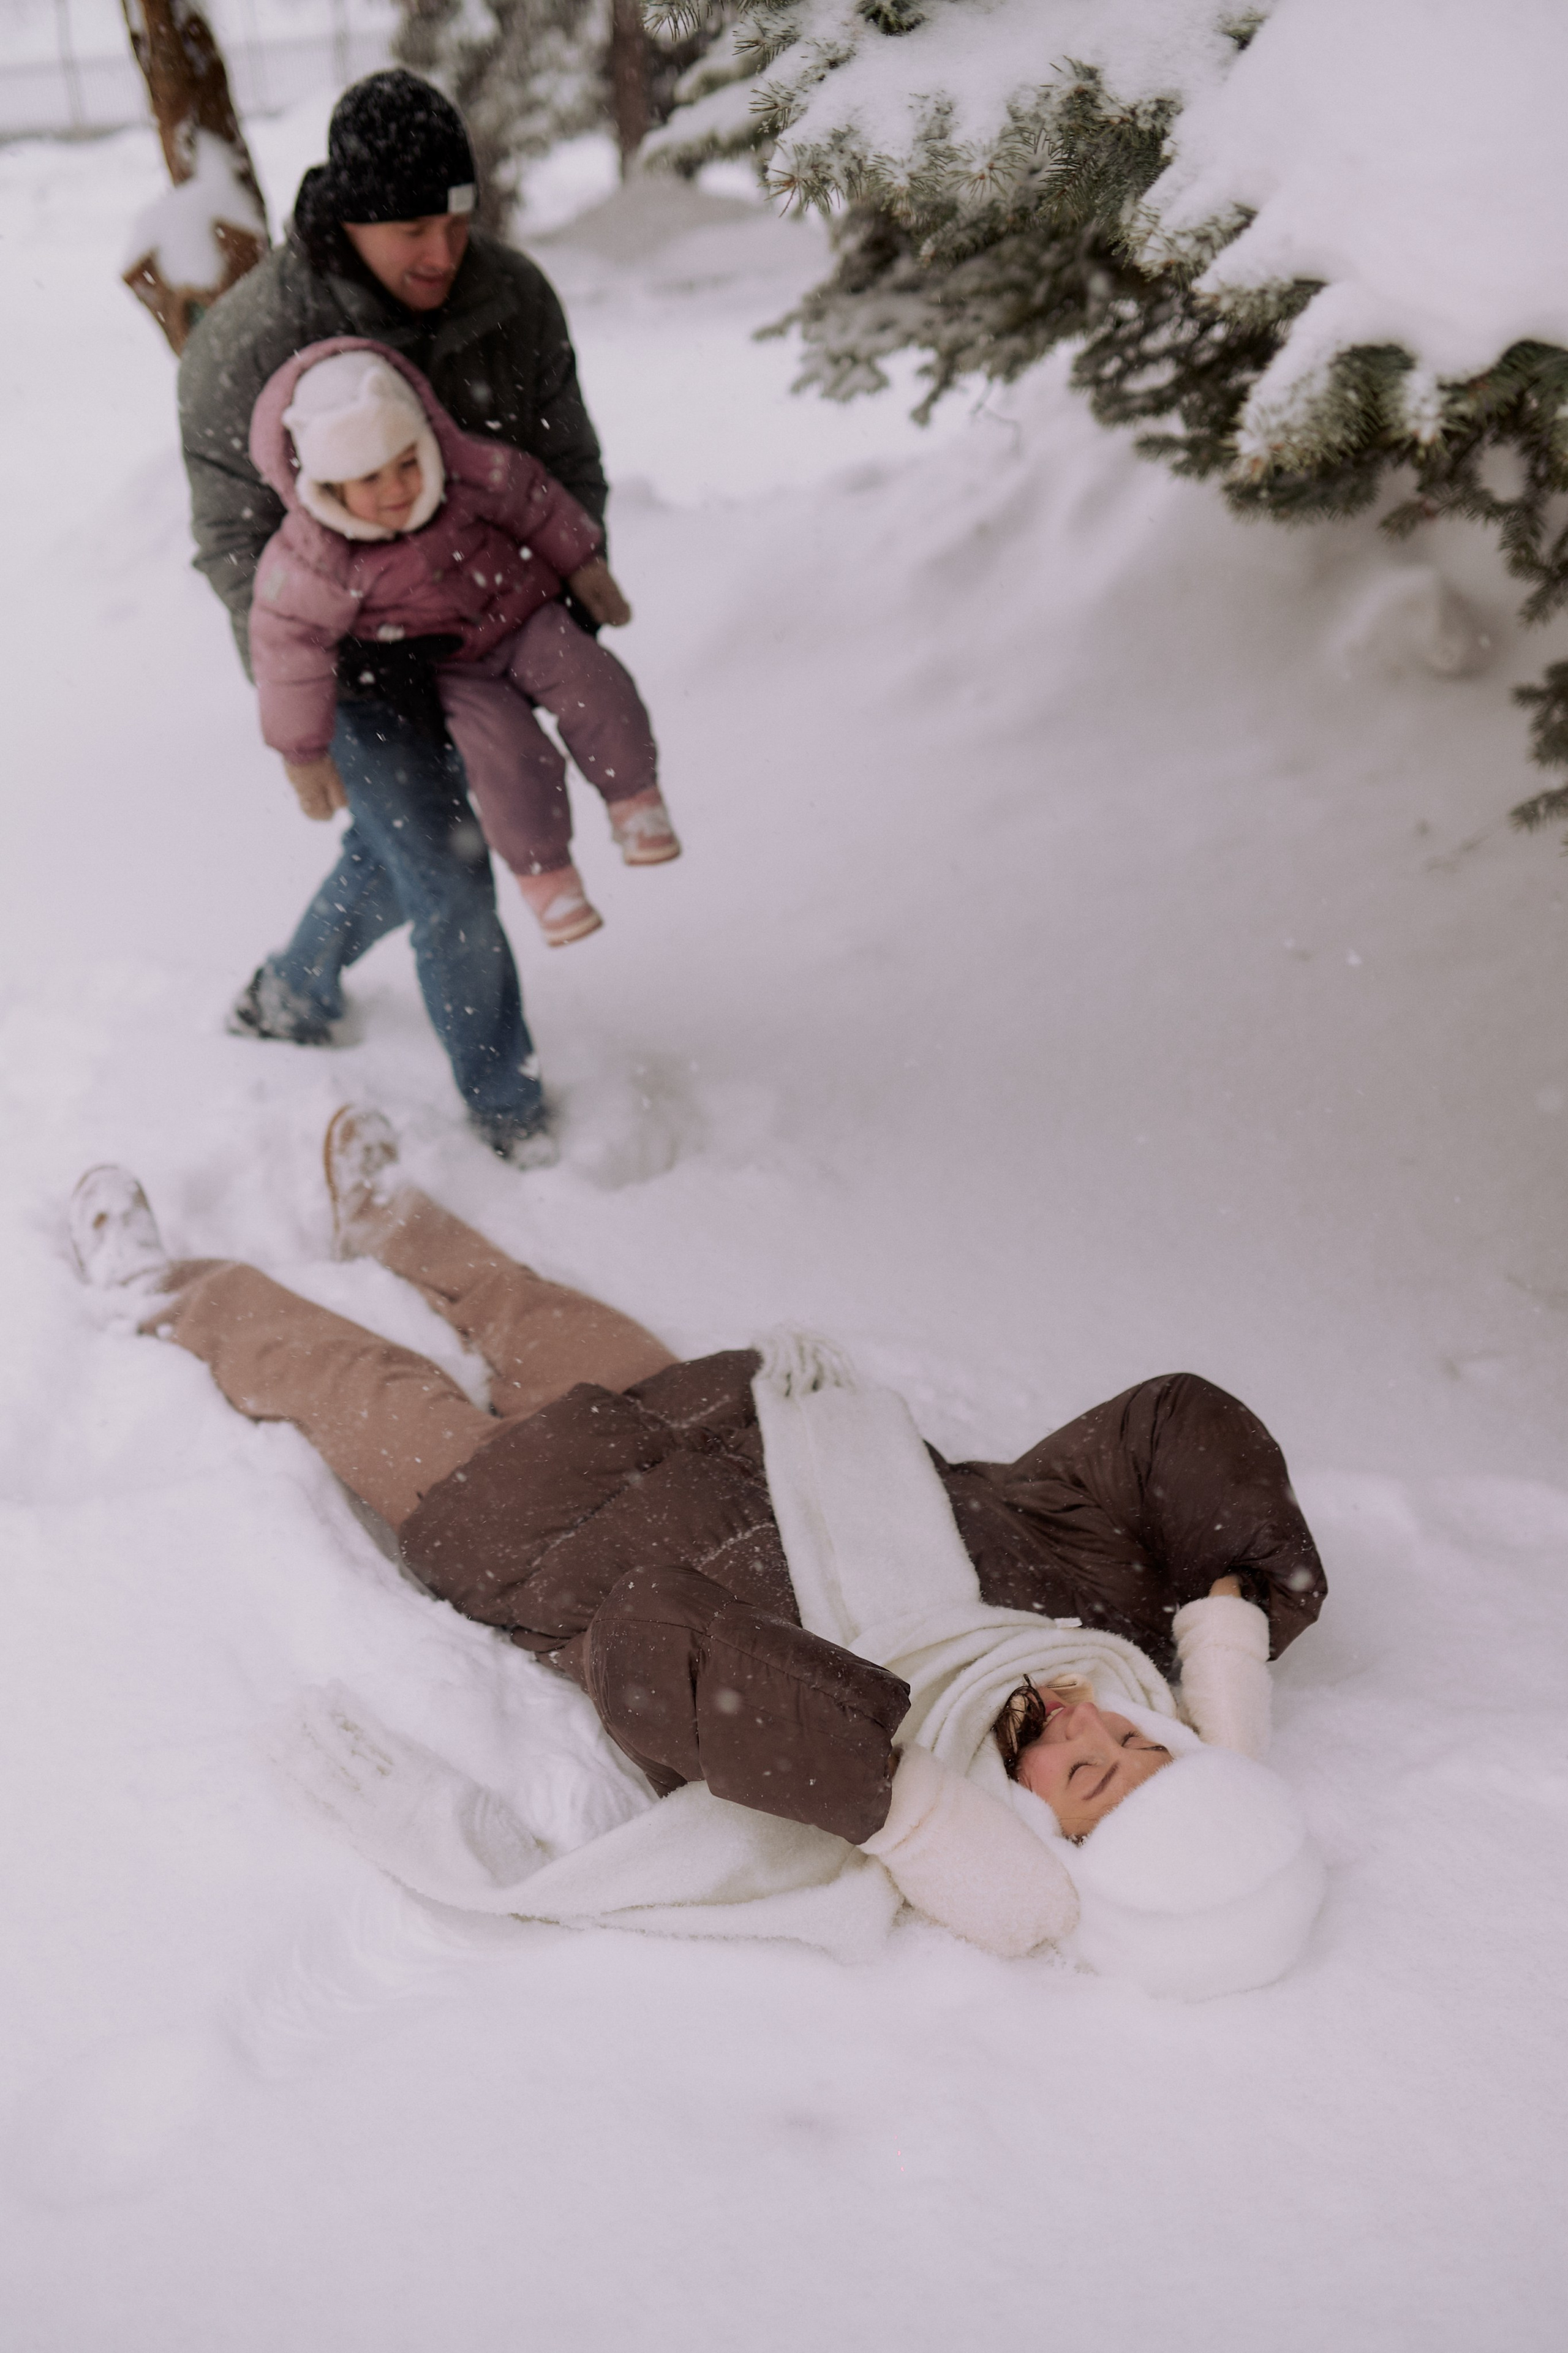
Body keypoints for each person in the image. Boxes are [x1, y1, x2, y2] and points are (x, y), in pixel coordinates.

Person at [66, 1121, 1330, 1986]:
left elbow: (653, 1642)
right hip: (719, 1414)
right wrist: (1232, 1625)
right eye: (1140, 1741)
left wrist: (904, 1801)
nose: (1082, 1722)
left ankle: (159, 1288)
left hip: (518, 1515)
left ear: (1038, 1845)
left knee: (330, 1370)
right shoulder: (1079, 1610)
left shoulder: (818, 1804)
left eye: (1087, 1779)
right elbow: (1170, 1422)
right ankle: (387, 1215)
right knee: (512, 1295)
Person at [179, 69, 617, 1161]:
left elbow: (568, 470)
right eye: (412, 228)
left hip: (484, 646)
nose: (443, 252)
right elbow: (236, 546)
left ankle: (292, 993)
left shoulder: (511, 300)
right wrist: (303, 700)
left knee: (410, 849)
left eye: (458, 220)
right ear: (348, 218)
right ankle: (509, 1116)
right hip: (351, 665)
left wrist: (548, 632)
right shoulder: (250, 340)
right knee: (455, 872)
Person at [250, 337, 678, 951]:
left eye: (406, 461)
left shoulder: (468, 474)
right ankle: (546, 877)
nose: (397, 487)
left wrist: (585, 567)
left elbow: (538, 504)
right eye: (369, 478)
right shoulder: (314, 558)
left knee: (597, 686)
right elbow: (287, 651)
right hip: (450, 665)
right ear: (328, 486)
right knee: (504, 756)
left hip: (527, 619)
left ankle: (635, 799)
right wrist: (303, 751)